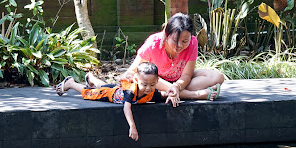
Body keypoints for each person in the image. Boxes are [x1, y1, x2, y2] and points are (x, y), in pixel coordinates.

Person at [90, 13, 224, 101]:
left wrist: (177, 86)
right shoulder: (153, 44)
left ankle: (173, 92)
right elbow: (132, 71)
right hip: (156, 81)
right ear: (166, 34)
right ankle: (195, 95)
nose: (179, 46)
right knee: (146, 82)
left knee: (218, 77)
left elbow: (187, 75)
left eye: (184, 41)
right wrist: (124, 77)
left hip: (179, 80)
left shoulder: (193, 42)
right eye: (174, 40)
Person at [54, 62, 179, 141]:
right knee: (88, 93)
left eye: (152, 84)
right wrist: (132, 126)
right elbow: (126, 108)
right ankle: (71, 83)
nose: (148, 88)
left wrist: (169, 94)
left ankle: (91, 78)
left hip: (115, 89)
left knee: (103, 85)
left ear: (157, 81)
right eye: (144, 84)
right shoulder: (131, 91)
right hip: (110, 95)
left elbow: (160, 95)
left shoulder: (150, 92)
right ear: (136, 80)